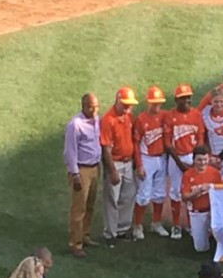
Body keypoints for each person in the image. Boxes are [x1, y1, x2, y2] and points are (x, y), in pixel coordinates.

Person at [164, 83, 207, 241]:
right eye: (183, 98)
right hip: (176, 157)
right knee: (175, 191)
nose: (187, 100)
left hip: (192, 156)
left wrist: (195, 161)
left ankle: (191, 224)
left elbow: (200, 139)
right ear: (177, 100)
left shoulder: (196, 115)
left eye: (188, 97)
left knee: (194, 190)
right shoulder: (170, 116)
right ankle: (176, 225)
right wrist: (180, 164)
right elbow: (168, 144)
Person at [64, 92, 102, 258]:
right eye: (92, 107)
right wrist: (75, 174)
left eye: (96, 107)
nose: (95, 110)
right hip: (82, 169)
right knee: (78, 208)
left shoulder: (96, 120)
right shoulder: (75, 125)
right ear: (84, 106)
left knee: (90, 205)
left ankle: (85, 235)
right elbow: (70, 151)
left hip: (94, 168)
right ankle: (75, 243)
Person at [101, 86, 139, 245]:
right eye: (125, 104)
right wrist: (112, 171)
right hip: (115, 163)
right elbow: (106, 149)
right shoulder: (108, 119)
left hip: (128, 162)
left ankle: (122, 229)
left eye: (130, 105)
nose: (128, 108)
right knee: (112, 198)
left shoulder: (128, 115)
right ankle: (110, 233)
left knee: (128, 195)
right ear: (117, 101)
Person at [132, 86, 170, 239]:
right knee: (144, 194)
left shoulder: (165, 116)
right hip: (146, 158)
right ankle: (137, 226)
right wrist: (139, 165)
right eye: (154, 103)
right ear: (148, 102)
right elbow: (136, 144)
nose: (157, 105)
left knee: (160, 194)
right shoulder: (141, 119)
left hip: (162, 158)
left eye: (159, 103)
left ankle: (156, 223)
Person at [181, 145, 223, 252]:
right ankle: (205, 234)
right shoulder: (188, 175)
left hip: (213, 211)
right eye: (199, 160)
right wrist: (199, 190)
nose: (203, 162)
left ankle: (213, 237)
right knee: (200, 248)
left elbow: (221, 193)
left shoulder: (215, 173)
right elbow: (184, 197)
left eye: (205, 159)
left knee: (222, 236)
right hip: (197, 212)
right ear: (194, 160)